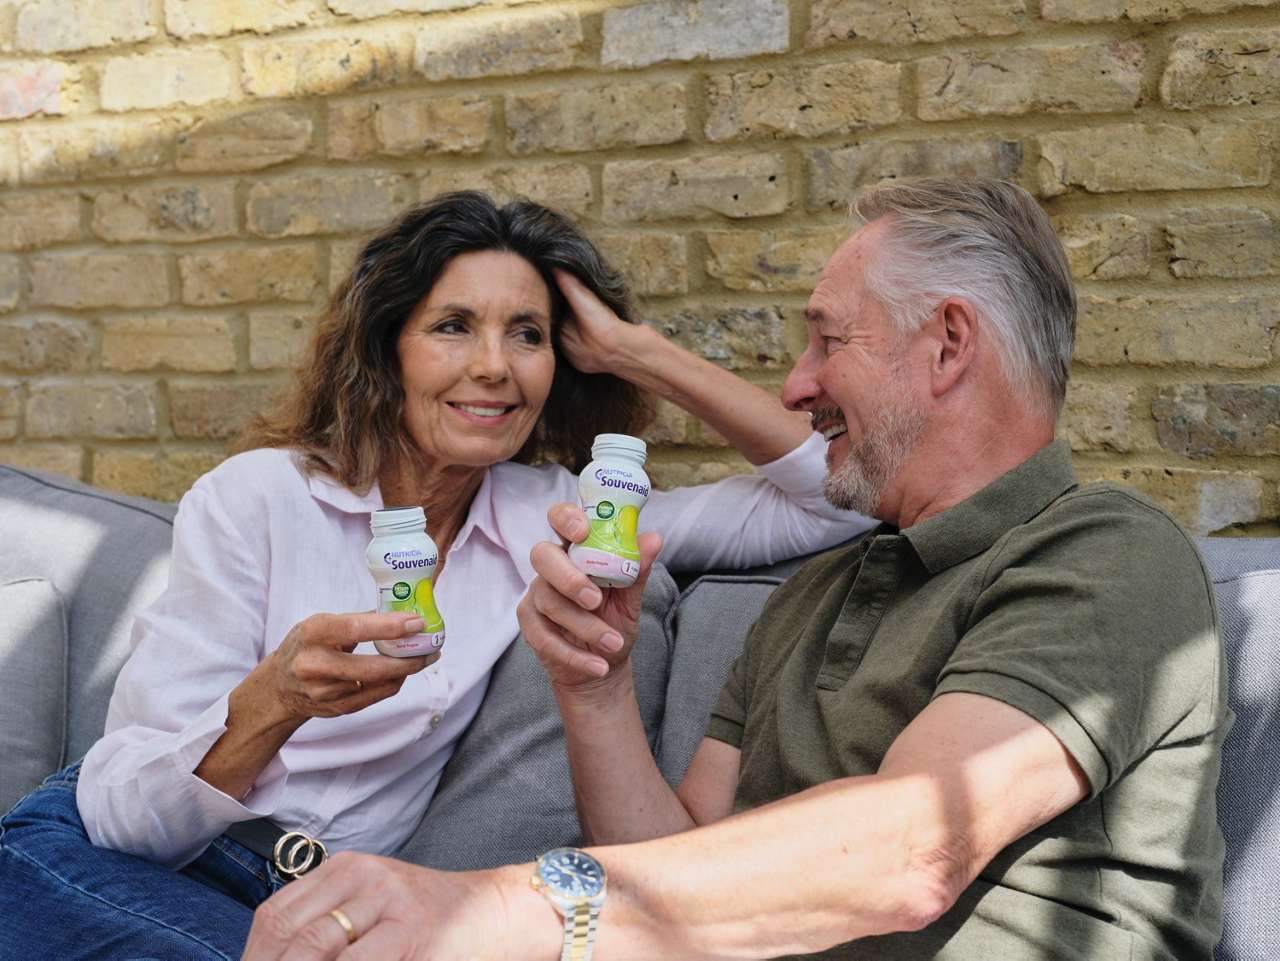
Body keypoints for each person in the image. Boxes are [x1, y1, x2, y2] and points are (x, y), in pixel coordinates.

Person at [240, 178, 1229, 961]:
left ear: (946, 346)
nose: (795, 384)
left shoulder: (1104, 552)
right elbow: (664, 869)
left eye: (825, 339)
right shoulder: (815, 594)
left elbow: (913, 846)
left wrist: (497, 905)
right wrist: (595, 687)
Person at [0, 192, 871, 961]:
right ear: (389, 350)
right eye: (454, 326)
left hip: (331, 908)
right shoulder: (257, 498)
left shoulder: (556, 517)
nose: (494, 365)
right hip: (115, 856)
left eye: (526, 335)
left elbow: (833, 502)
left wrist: (637, 351)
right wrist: (277, 700)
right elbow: (123, 817)